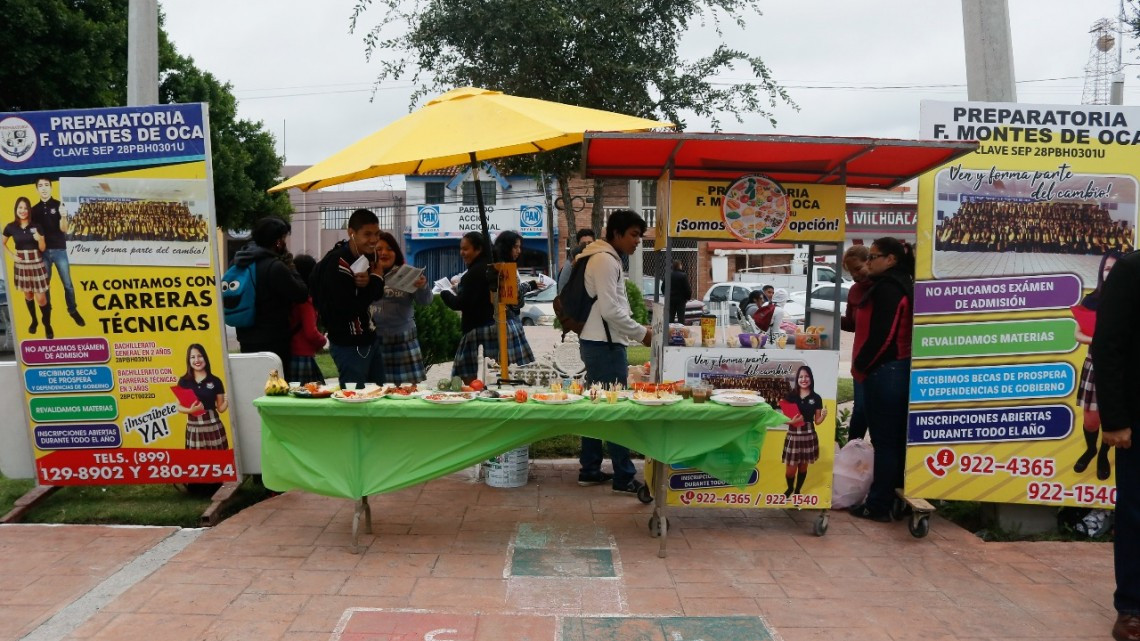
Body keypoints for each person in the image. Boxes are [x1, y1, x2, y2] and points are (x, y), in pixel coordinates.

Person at [576, 209, 653, 496]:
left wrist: (635, 327)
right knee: (615, 410)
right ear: (617, 233)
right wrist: (641, 333)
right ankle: (623, 476)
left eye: (640, 236)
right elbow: (610, 310)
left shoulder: (603, 257)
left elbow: (611, 306)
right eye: (633, 235)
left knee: (597, 409)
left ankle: (590, 469)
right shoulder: (605, 260)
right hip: (605, 345)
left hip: (598, 342)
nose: (637, 241)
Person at [1089, 249, 1140, 641]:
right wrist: (1116, 419)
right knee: (1136, 513)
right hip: (1136, 420)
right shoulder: (1132, 269)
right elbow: (1106, 345)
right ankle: (1132, 609)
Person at [848, 237, 915, 522]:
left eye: (873, 257)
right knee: (893, 441)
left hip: (886, 372)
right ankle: (892, 498)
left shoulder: (889, 288)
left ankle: (878, 505)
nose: (869, 262)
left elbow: (883, 337)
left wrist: (862, 366)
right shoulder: (896, 283)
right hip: (892, 371)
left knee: (885, 442)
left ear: (891, 259)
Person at [441, 231, 535, 382]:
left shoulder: (473, 274)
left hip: (483, 332)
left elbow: (460, 304)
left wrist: (445, 292)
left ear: (478, 249)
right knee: (512, 378)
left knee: (475, 380)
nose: (462, 253)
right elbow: (515, 301)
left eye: (465, 249)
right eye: (461, 249)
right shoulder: (500, 267)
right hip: (508, 326)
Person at [316, 209, 386, 388]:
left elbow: (376, 294)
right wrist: (376, 279)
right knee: (355, 399)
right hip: (349, 344)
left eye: (377, 233)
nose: (373, 240)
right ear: (351, 233)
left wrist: (372, 281)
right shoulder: (338, 263)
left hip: (370, 339)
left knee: (379, 396)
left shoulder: (369, 256)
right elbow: (346, 309)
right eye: (367, 234)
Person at [232, 217, 310, 375]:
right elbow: (301, 293)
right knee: (276, 385)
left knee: (253, 381)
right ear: (278, 241)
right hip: (273, 340)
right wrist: (291, 265)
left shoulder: (239, 262)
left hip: (246, 337)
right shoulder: (275, 267)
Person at [1072, 250, 1121, 481]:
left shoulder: (1132, 300)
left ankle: (1103, 454)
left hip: (1121, 368)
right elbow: (1078, 334)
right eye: (1108, 268)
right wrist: (1098, 339)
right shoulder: (1091, 300)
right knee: (1091, 420)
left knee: (1111, 417)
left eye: (1117, 269)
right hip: (1095, 364)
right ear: (1102, 271)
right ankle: (1091, 449)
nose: (1111, 272)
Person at [371, 231, 431, 384]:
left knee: (406, 392)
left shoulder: (408, 273)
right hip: (375, 342)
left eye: (389, 249)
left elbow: (425, 301)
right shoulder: (366, 275)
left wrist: (422, 287)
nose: (384, 253)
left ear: (396, 252)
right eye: (379, 249)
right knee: (377, 391)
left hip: (404, 342)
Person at [30, 177, 83, 326]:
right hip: (43, 253)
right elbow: (33, 232)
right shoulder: (34, 210)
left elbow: (64, 229)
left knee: (68, 284)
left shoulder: (59, 205)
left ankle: (72, 310)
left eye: (46, 185)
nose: (44, 188)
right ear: (37, 189)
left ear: (51, 187)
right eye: (40, 186)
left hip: (59, 250)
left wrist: (64, 216)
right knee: (45, 286)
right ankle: (47, 313)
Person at [2, 197, 52, 338]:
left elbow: (43, 248)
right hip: (21, 265)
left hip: (36, 263)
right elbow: (2, 243)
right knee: (28, 294)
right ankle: (34, 320)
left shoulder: (37, 226)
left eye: (25, 208)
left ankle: (47, 324)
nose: (23, 211)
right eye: (20, 208)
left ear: (29, 210)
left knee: (41, 298)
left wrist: (40, 239)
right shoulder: (10, 227)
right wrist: (12, 255)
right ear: (16, 209)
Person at [840, 245, 872, 441]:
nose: (854, 275)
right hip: (860, 360)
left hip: (883, 361)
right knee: (860, 408)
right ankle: (852, 449)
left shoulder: (883, 287)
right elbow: (852, 324)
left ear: (870, 262)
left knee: (878, 409)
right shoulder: (854, 291)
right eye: (851, 272)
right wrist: (832, 319)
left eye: (858, 269)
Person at [780, 365, 826, 497]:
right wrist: (791, 422)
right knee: (790, 470)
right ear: (797, 379)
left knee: (803, 467)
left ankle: (798, 490)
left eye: (806, 376)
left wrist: (823, 416)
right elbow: (782, 418)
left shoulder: (816, 398)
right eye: (801, 377)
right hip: (793, 435)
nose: (804, 379)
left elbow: (817, 421)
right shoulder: (790, 396)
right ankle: (790, 488)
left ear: (811, 378)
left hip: (809, 435)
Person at [175, 344, 229, 449]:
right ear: (189, 360)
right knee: (197, 458)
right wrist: (190, 410)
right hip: (194, 428)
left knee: (218, 458)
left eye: (200, 356)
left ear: (205, 357)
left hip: (213, 427)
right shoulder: (184, 381)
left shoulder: (216, 381)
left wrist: (227, 401)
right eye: (192, 357)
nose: (197, 360)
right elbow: (178, 406)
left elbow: (220, 408)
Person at [288, 254, 326, 384]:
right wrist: (323, 341)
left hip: (290, 353)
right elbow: (311, 333)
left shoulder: (290, 298)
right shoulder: (306, 301)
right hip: (303, 355)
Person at [668, 260, 691, 324]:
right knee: (681, 318)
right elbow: (687, 288)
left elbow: (663, 287)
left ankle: (670, 329)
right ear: (679, 266)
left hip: (671, 300)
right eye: (681, 265)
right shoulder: (683, 275)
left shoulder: (669, 275)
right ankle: (681, 329)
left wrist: (668, 295)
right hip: (681, 300)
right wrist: (688, 297)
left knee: (671, 317)